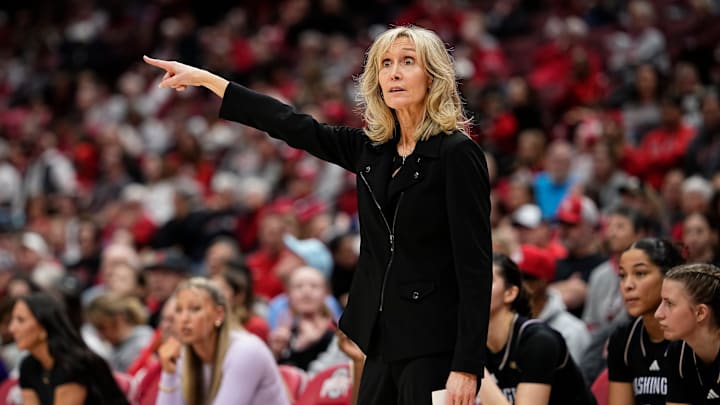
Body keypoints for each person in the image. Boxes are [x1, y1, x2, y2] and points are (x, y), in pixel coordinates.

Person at [145, 24, 492, 405]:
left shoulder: (456, 154)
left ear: (433, 75)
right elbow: (291, 124)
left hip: (434, 342)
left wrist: (467, 365)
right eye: (386, 64)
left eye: (408, 62)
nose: (393, 72)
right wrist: (208, 80)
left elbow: (475, 267)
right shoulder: (371, 151)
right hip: (380, 341)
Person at [477, 254, 596, 405]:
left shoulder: (539, 341)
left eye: (485, 280)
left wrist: (473, 366)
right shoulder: (475, 344)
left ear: (510, 293)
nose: (473, 289)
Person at [156, 277, 289, 405]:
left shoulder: (246, 351)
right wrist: (169, 373)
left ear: (219, 314)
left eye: (195, 309)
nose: (184, 319)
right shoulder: (183, 355)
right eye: (179, 310)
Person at [8, 292, 129, 404]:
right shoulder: (29, 365)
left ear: (43, 328)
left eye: (21, 320)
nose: (11, 328)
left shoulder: (74, 364)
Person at [607, 238, 685, 405]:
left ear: (669, 276)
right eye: (622, 275)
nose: (627, 285)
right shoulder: (623, 340)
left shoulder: (691, 339)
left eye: (640, 273)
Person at [654, 263, 720, 404]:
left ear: (700, 313)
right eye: (661, 302)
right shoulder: (678, 352)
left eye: (669, 304)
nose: (658, 314)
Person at [85, 293, 155, 372]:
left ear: (119, 318)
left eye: (102, 327)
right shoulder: (114, 348)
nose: (100, 335)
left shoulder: (143, 343)